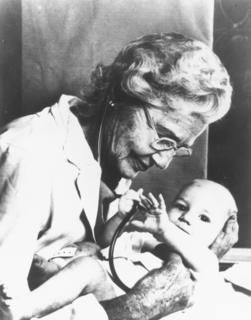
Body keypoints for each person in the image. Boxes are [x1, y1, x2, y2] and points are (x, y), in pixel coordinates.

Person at [0, 33, 237, 320]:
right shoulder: (27, 155)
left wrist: (200, 251)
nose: (163, 162)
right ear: (121, 97)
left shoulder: (112, 151)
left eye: (177, 148)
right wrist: (139, 307)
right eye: (163, 137)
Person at [6, 179, 238, 320]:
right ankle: (49, 282)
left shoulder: (202, 266)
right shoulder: (146, 241)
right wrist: (120, 216)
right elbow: (107, 243)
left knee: (86, 267)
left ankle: (16, 310)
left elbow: (207, 262)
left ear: (220, 236)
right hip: (104, 297)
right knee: (87, 263)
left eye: (204, 218)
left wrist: (166, 229)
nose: (186, 218)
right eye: (181, 207)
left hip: (129, 311)